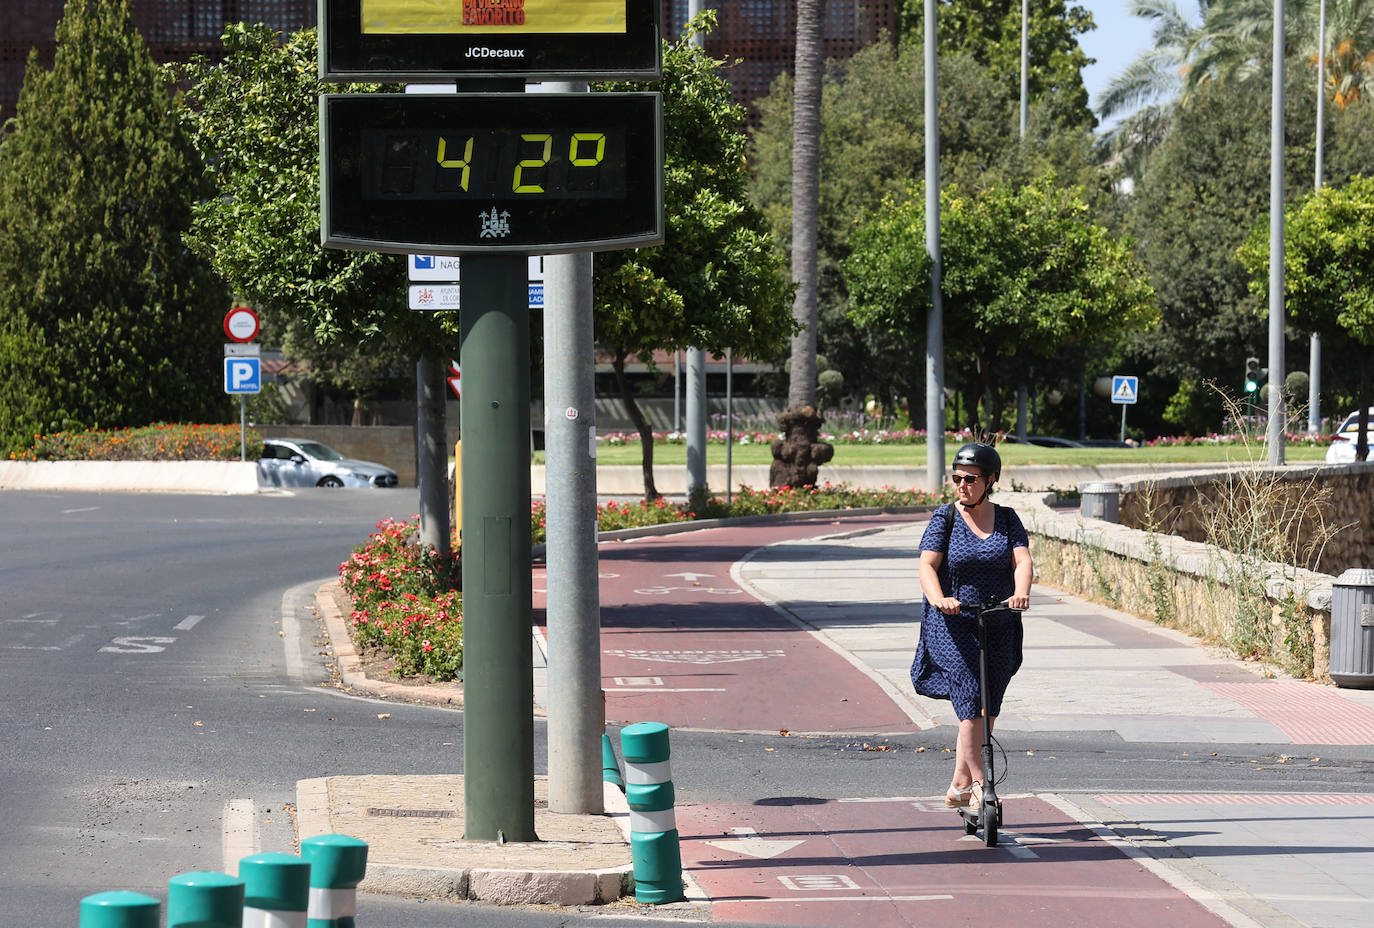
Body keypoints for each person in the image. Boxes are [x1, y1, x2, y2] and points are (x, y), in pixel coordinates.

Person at [911, 442, 1032, 808]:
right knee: (970, 706)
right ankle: (984, 787)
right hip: (952, 623)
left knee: (989, 706)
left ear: (990, 480)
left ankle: (960, 783)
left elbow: (1022, 561)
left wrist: (1021, 592)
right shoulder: (944, 518)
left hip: (997, 619)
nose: (962, 485)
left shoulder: (1008, 519)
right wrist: (938, 598)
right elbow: (927, 565)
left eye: (971, 479)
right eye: (957, 478)